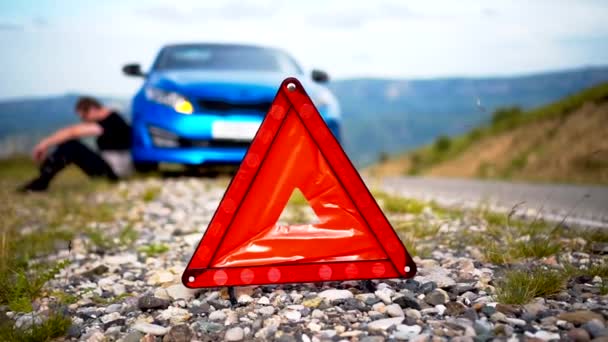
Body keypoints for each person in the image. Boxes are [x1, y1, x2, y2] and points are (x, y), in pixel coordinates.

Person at [19, 96, 133, 192]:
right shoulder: (113, 118)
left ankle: (42, 181)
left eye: (84, 116)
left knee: (71, 146)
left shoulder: (111, 120)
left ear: (92, 109)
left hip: (115, 173)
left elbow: (72, 132)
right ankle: (43, 177)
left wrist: (44, 143)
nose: (84, 120)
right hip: (114, 169)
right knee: (71, 146)